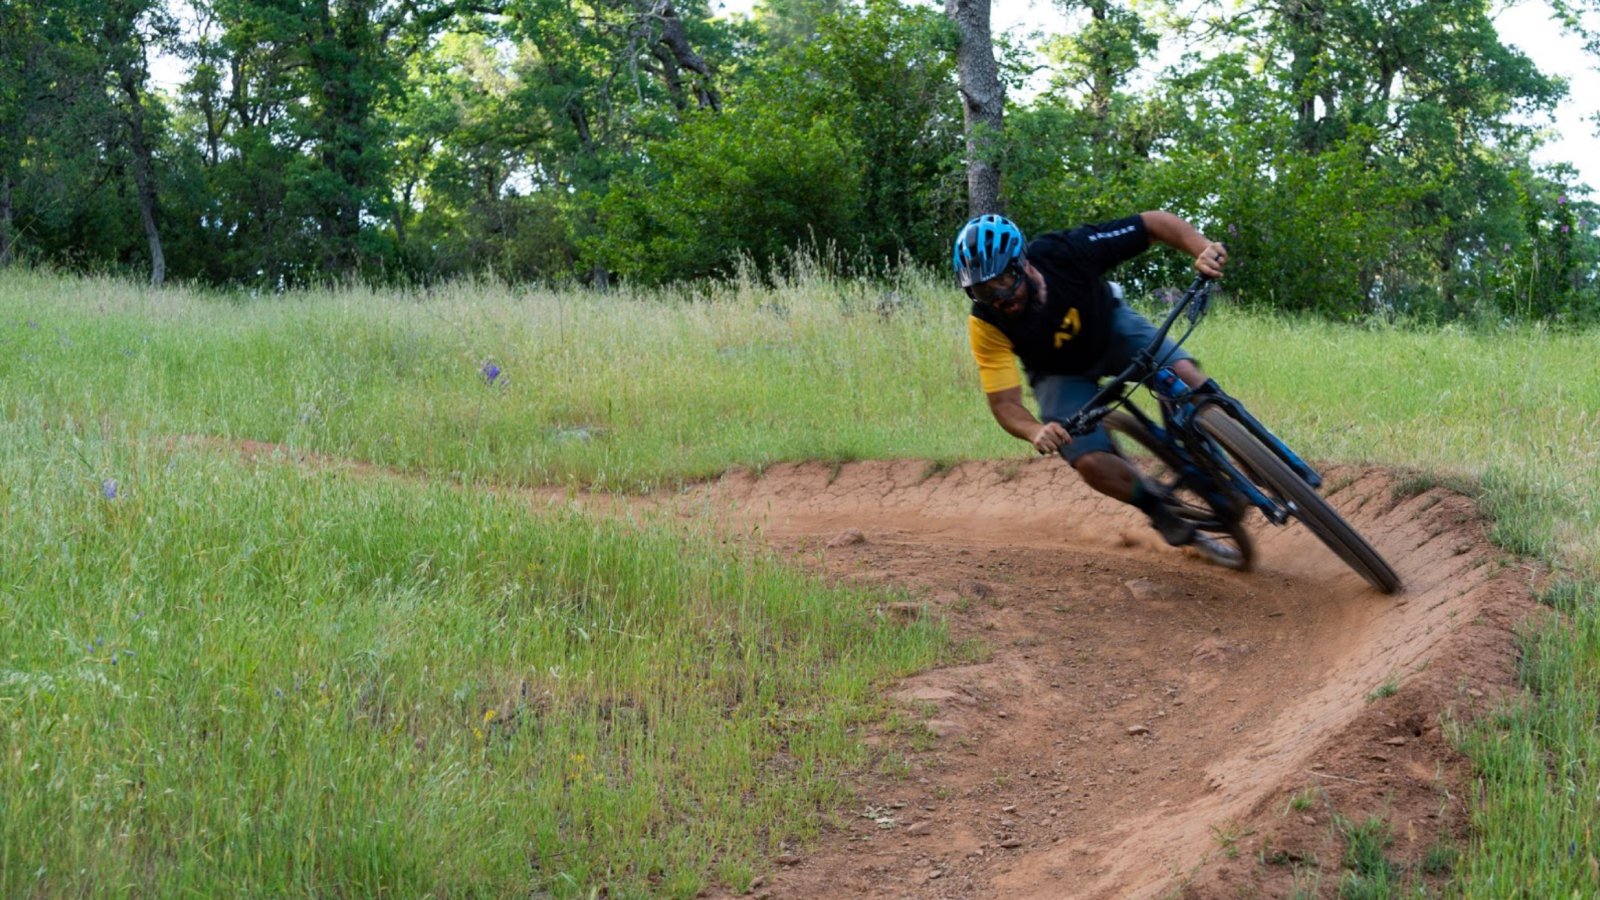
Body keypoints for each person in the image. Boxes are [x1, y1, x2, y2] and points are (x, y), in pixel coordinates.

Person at [952, 211, 1236, 563]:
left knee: (1185, 374)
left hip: (1111, 329)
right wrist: (1035, 431)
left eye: (1003, 281)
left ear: (1022, 262)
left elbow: (1153, 225)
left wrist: (1202, 248)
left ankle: (1233, 451)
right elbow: (1004, 404)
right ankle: (1157, 508)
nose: (998, 298)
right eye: (981, 290)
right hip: (1059, 375)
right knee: (1089, 461)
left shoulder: (1064, 252)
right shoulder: (986, 322)